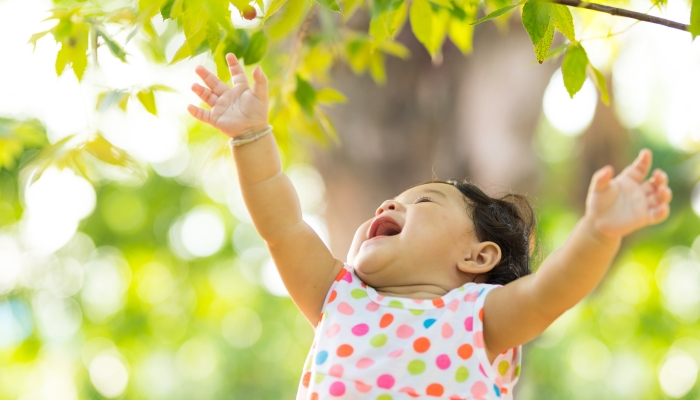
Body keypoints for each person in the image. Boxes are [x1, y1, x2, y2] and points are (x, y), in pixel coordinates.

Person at [187, 53, 673, 399]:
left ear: (478, 256)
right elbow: (282, 224)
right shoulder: (337, 295)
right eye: (390, 202)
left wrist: (599, 231)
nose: (384, 206)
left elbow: (551, 291)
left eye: (423, 199)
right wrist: (252, 137)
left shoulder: (479, 316)